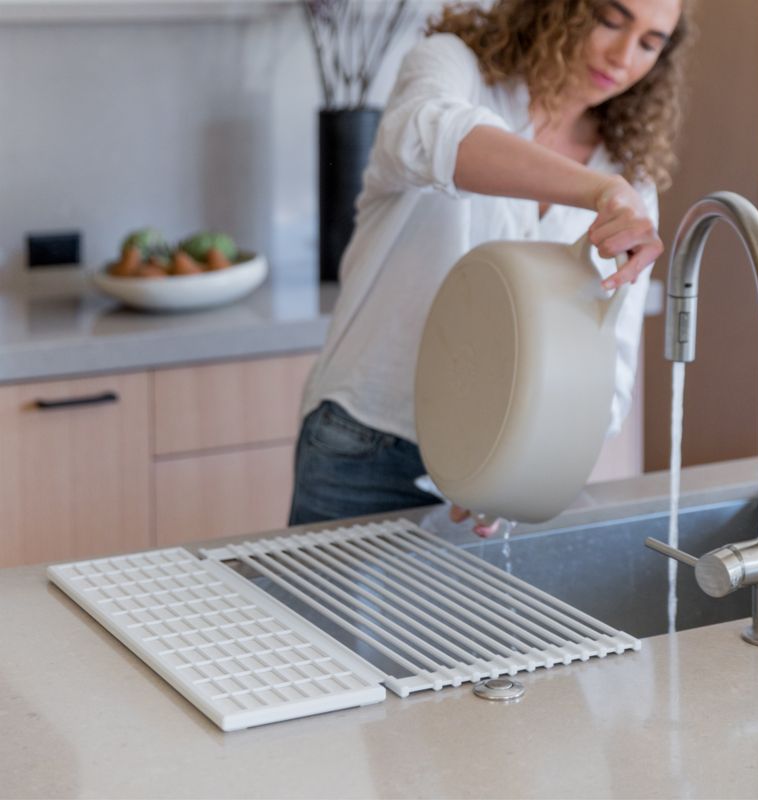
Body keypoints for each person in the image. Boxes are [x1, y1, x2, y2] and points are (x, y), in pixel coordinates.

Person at [289, 0, 690, 529]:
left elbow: (606, 367)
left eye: (648, 42)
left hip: (492, 469)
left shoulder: (629, 176)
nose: (622, 55)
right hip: (363, 444)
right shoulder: (452, 68)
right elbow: (426, 134)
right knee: (311, 616)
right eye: (609, 19)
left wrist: (518, 463)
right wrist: (598, 192)